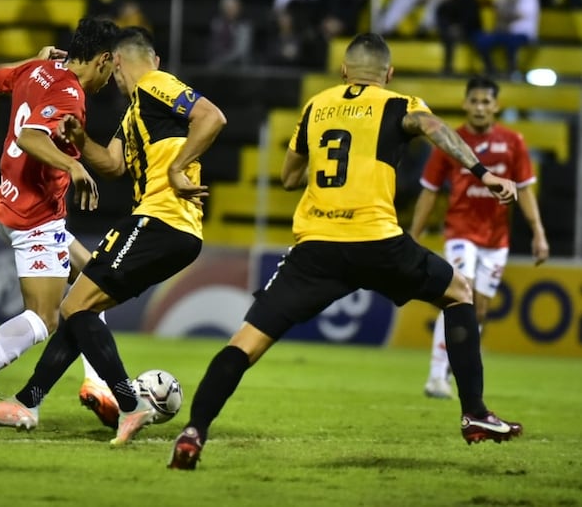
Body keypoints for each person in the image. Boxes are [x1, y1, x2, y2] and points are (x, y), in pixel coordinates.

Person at [168, 33, 522, 471]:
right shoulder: (398, 103)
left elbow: (289, 177)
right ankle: (475, 413)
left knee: (245, 343)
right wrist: (482, 173)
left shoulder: (317, 104)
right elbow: (435, 129)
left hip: (317, 247)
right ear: (388, 74)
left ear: (343, 71)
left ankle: (193, 432)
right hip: (377, 240)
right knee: (459, 292)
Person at [0, 27, 227, 446]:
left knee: (76, 307)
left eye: (112, 72)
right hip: (169, 230)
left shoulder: (157, 85)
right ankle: (27, 402)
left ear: (117, 61)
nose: (110, 84)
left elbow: (211, 117)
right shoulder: (135, 112)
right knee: (77, 309)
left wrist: (179, 168)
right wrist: (80, 142)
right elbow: (112, 164)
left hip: (161, 221)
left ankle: (126, 401)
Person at [0, 17, 121, 434]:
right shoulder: (69, 92)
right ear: (105, 60)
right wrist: (73, 164)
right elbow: (31, 138)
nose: (110, 79)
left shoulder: (37, 69)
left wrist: (33, 61)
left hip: (9, 202)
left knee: (95, 281)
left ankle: (97, 384)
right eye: (111, 69)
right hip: (35, 215)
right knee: (44, 319)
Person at [410, 75, 549, 399]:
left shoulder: (513, 141)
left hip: (496, 239)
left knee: (480, 310)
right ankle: (435, 377)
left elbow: (525, 190)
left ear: (496, 106)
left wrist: (538, 233)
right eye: (474, 100)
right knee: (461, 291)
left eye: (486, 101)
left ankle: (450, 371)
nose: (480, 107)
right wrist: (413, 236)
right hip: (460, 231)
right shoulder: (449, 141)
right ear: (464, 104)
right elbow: (429, 193)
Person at [473, 0, 539, 77]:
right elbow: (497, 11)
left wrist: (505, 14)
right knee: (480, 40)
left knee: (511, 41)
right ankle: (490, 68)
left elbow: (519, 15)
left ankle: (512, 70)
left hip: (521, 34)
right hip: (502, 32)